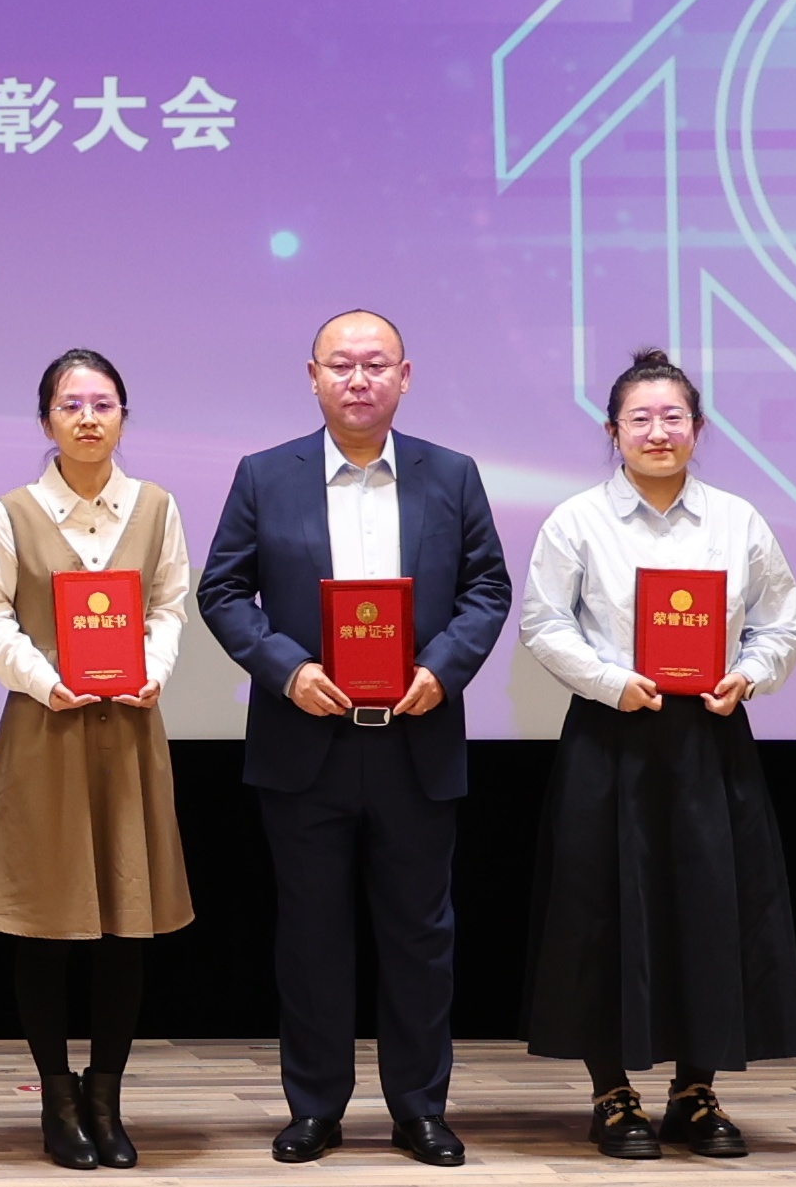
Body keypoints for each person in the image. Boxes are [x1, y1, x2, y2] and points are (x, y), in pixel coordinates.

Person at [196, 310, 510, 1168]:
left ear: (404, 376)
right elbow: (220, 590)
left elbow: (487, 587)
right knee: (310, 937)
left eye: (375, 364)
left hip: (416, 738)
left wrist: (442, 668)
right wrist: (287, 668)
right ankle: (314, 1107)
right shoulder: (265, 474)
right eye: (341, 364)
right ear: (312, 376)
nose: (358, 378)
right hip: (305, 742)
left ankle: (418, 1109)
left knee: (419, 936)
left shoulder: (452, 474)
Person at [518, 348, 796, 1160]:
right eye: (638, 417)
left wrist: (748, 673)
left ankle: (694, 1090)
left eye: (672, 416)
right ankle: (611, 1092)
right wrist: (611, 682)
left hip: (709, 737)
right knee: (600, 910)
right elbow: (543, 622)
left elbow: (779, 623)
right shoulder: (576, 520)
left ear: (697, 428)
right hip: (609, 734)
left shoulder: (737, 520)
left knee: (709, 908)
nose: (656, 431)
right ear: (612, 431)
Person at [0, 349, 192, 1171]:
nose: (87, 417)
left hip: (127, 732)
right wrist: (42, 678)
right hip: (45, 729)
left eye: (102, 403)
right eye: (70, 404)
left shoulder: (156, 506)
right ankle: (57, 1100)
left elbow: (169, 604)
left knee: (126, 925)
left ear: (123, 415)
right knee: (46, 926)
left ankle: (106, 1097)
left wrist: (151, 670)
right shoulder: (12, 511)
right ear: (45, 419)